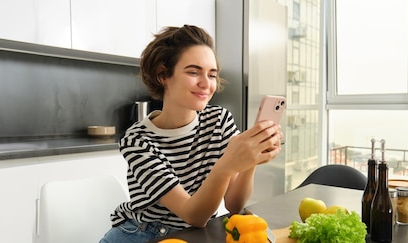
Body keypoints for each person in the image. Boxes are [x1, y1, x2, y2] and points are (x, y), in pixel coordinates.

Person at [99, 25, 283, 243]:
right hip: (142, 235)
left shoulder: (219, 120)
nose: (206, 84)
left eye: (212, 75)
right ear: (163, 75)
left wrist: (250, 159)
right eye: (194, 72)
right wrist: (227, 165)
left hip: (196, 236)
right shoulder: (137, 141)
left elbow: (234, 205)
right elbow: (193, 215)